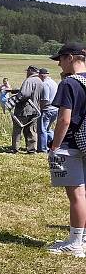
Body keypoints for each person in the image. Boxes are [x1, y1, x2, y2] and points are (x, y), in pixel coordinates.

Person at [47, 42, 86, 256]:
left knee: (76, 194)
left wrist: (55, 145)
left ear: (70, 57)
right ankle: (83, 239)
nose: (59, 64)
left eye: (60, 59)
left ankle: (75, 242)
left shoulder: (69, 83)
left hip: (71, 143)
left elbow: (64, 119)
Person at [9, 66, 44, 154]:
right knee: (31, 129)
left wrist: (15, 99)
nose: (27, 73)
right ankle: (31, 149)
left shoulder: (29, 80)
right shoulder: (39, 81)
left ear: (31, 71)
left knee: (17, 129)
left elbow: (25, 94)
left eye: (27, 71)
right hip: (35, 109)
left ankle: (15, 149)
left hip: (24, 109)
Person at [37, 68, 58, 153]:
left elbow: (45, 99)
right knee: (48, 129)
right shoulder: (53, 82)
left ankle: (42, 149)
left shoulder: (45, 84)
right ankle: (51, 146)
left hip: (47, 109)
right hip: (55, 109)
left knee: (42, 129)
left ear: (42, 75)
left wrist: (40, 108)